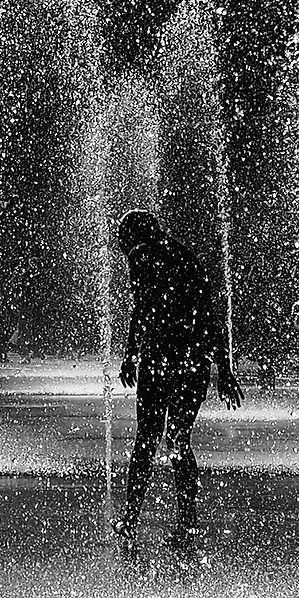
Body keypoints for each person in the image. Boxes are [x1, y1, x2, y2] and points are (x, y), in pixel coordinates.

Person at [113, 210, 242, 554]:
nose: (122, 246)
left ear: (136, 236)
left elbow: (142, 311)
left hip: (160, 360)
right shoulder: (186, 258)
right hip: (192, 362)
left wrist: (132, 355)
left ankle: (131, 517)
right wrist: (224, 370)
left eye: (123, 239)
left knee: (147, 439)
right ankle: (186, 521)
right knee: (178, 439)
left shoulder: (142, 258)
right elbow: (209, 318)